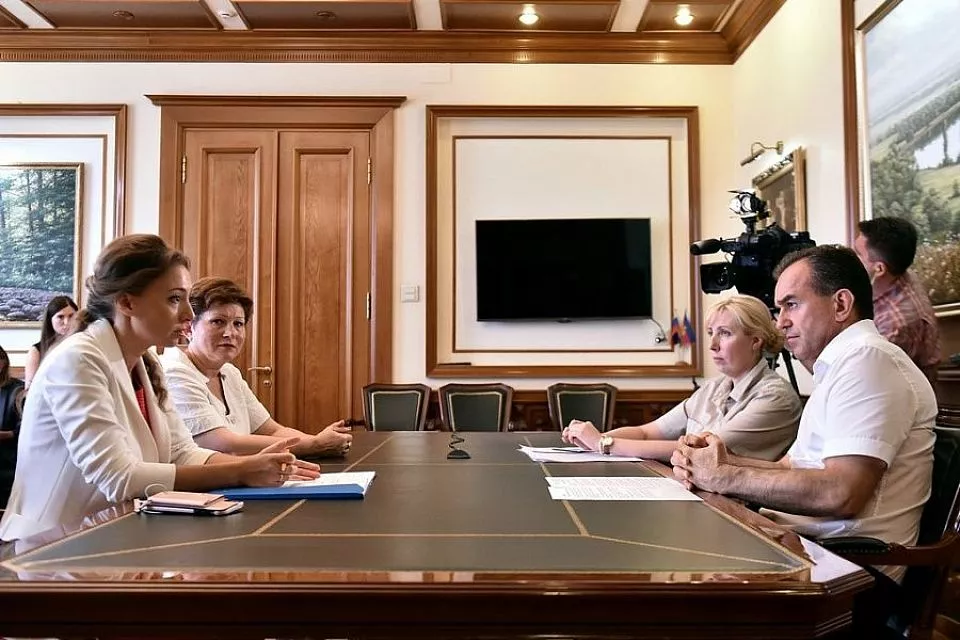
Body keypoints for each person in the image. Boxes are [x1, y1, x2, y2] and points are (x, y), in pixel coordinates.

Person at [0, 234, 319, 542]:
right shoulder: (78, 359)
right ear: (126, 302)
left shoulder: (146, 361)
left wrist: (260, 465)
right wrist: (241, 471)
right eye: (174, 299)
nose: (189, 314)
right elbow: (120, 478)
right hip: (53, 548)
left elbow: (181, 453)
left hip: (114, 537)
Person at [672, 245, 936, 590]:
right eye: (779, 308)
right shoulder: (843, 366)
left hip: (847, 573)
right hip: (803, 550)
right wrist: (717, 461)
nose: (780, 322)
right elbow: (791, 467)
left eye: (791, 305)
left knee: (676, 588)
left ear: (841, 304)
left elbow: (840, 492)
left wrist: (722, 476)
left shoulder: (869, 361)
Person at [562, 295, 801, 461]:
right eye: (711, 333)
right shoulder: (713, 388)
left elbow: (702, 452)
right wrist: (591, 439)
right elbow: (647, 432)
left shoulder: (775, 397)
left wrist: (603, 444)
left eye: (725, 333)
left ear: (755, 341)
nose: (713, 345)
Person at [160, 276, 352, 457]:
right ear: (189, 328)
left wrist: (318, 440)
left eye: (238, 324)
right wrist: (314, 444)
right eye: (218, 322)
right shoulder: (175, 372)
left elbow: (272, 430)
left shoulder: (229, 372)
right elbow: (223, 444)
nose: (230, 333)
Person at [853, 216, 941, 384]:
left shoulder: (896, 326)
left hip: (891, 393)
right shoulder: (898, 273)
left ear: (879, 269)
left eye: (857, 254)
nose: (851, 258)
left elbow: (862, 377)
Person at [23, 295, 78, 390]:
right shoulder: (36, 351)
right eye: (60, 317)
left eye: (71, 316)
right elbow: (29, 390)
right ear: (50, 319)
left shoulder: (82, 345)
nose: (66, 322)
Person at [0, 345, 25, 508]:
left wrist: (6, 435)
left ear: (3, 363)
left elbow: (28, 430)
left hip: (8, 460)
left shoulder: (18, 391)